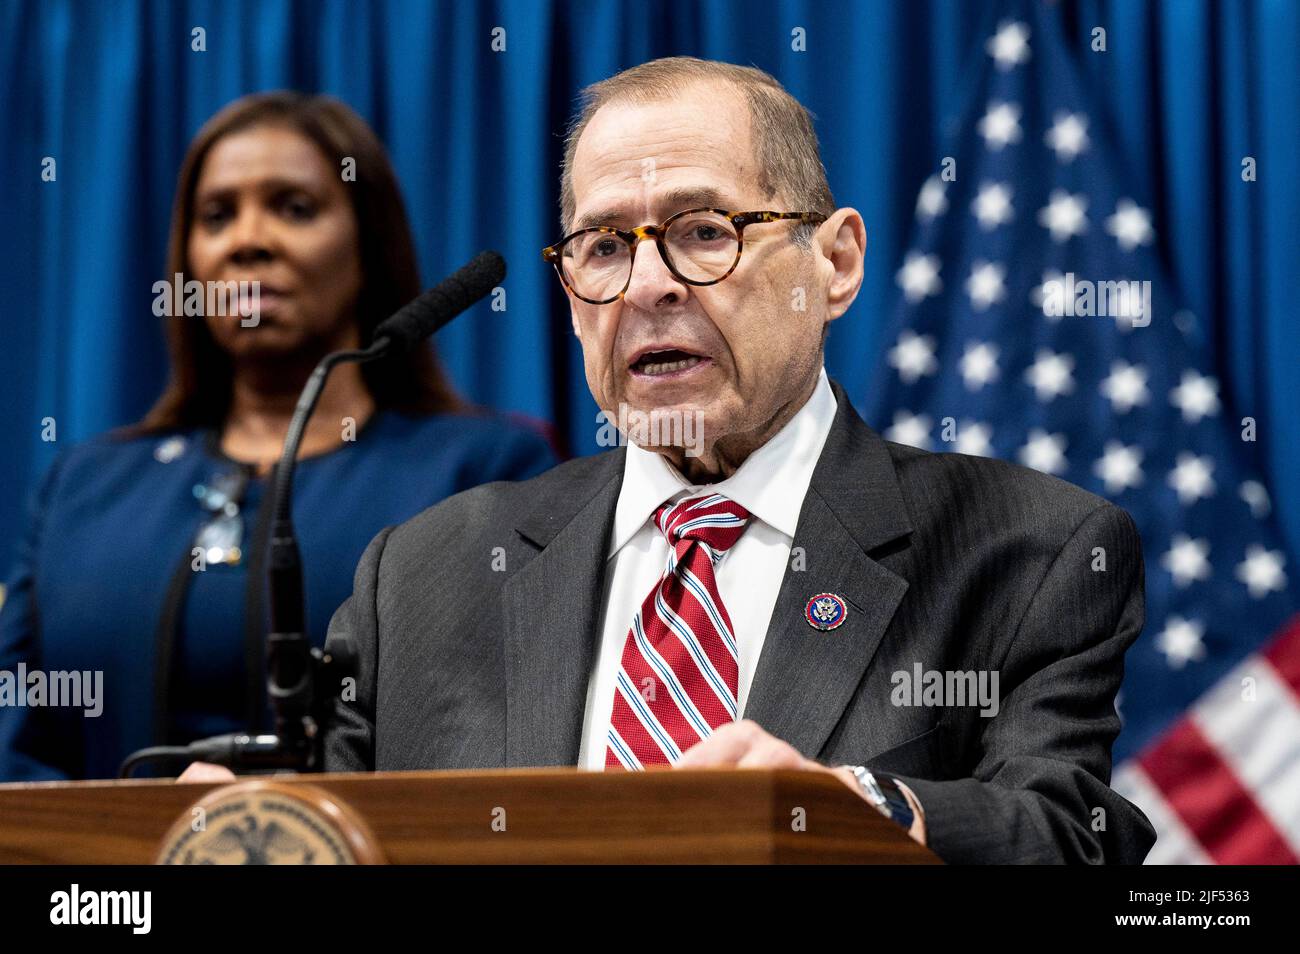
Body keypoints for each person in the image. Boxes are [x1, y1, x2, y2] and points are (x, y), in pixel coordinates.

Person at [189, 59, 1156, 864]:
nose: (648, 286)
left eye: (705, 232)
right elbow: (334, 832)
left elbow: (1071, 838)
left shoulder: (1030, 553)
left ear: (837, 263)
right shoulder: (426, 574)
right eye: (604, 246)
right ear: (569, 295)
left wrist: (855, 807)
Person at [0, 92, 556, 781]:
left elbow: (518, 734)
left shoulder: (483, 471)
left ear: (367, 243)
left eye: (294, 208)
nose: (248, 240)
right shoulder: (82, 487)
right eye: (216, 216)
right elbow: (12, 749)